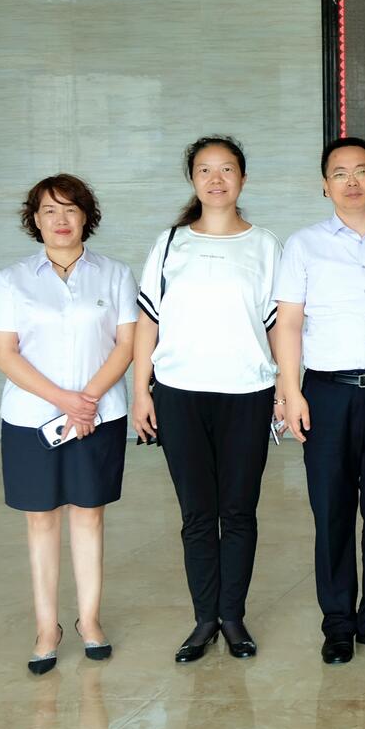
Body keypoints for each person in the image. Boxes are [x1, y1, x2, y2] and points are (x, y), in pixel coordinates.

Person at [131, 135, 282, 663]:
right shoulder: (170, 243)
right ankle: (204, 621)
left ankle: (232, 617)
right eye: (204, 170)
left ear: (243, 178)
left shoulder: (265, 245)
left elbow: (280, 326)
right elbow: (147, 323)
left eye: (226, 169)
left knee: (238, 511)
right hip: (179, 394)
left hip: (248, 393)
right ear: (193, 179)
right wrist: (140, 391)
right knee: (197, 513)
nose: (216, 179)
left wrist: (287, 390)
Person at [0, 175, 137, 674]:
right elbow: (5, 354)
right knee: (41, 519)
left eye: (71, 209)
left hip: (99, 416)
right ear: (35, 219)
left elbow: (127, 345)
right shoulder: (12, 280)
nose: (61, 219)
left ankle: (89, 621)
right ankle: (47, 628)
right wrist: (66, 401)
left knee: (89, 515)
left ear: (86, 216)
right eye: (49, 210)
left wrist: (85, 402)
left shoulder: (114, 274)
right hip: (31, 419)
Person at [274, 136, 365, 665]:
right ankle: (337, 622)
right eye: (340, 173)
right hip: (327, 395)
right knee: (331, 513)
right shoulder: (303, 245)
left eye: (362, 171)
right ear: (325, 185)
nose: (351, 181)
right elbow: (288, 323)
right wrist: (290, 391)